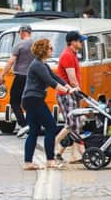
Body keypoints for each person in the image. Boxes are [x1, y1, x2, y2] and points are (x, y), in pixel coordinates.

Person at [23, 39, 78, 170]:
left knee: (34, 131)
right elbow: (50, 82)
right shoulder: (38, 65)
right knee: (51, 126)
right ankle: (50, 160)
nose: (52, 50)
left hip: (30, 99)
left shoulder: (42, 64)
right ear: (44, 50)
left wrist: (68, 86)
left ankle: (28, 162)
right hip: (34, 99)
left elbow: (56, 77)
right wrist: (68, 90)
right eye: (50, 48)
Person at [54, 31, 87, 163]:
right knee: (72, 124)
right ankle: (53, 144)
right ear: (73, 42)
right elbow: (72, 79)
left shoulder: (72, 54)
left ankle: (65, 153)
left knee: (75, 124)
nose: (82, 43)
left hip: (71, 94)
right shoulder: (67, 55)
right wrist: (79, 92)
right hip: (67, 94)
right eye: (80, 41)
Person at [0, 24, 34, 137]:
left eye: (19, 32)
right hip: (32, 77)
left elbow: (11, 61)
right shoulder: (35, 44)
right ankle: (31, 124)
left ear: (23, 32)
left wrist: (2, 74)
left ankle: (24, 125)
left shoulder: (19, 45)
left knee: (14, 102)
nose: (19, 35)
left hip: (20, 77)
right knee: (29, 102)